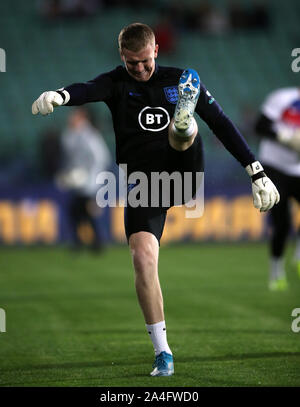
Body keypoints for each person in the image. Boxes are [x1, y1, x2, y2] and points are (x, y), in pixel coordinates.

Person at [32, 22, 279, 376]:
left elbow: (222, 123)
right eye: (133, 63)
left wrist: (256, 170)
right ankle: (163, 352)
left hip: (182, 173)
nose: (140, 69)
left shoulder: (178, 79)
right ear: (123, 56)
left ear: (155, 52)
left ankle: (182, 125)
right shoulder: (117, 82)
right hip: (142, 186)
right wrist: (60, 96)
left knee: (186, 129)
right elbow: (87, 89)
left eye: (145, 61)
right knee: (142, 258)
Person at [255, 87, 300, 291]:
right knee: (282, 222)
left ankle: (298, 255)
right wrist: (286, 137)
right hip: (274, 165)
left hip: (297, 168)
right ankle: (276, 271)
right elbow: (260, 125)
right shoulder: (284, 97)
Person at [56, 107, 112, 251]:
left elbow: (101, 158)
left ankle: (93, 242)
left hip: (89, 183)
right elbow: (70, 159)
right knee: (79, 212)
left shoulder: (89, 135)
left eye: (75, 115)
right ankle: (88, 242)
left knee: (84, 211)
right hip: (78, 183)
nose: (71, 118)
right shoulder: (71, 134)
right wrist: (69, 175)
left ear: (83, 118)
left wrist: (89, 177)